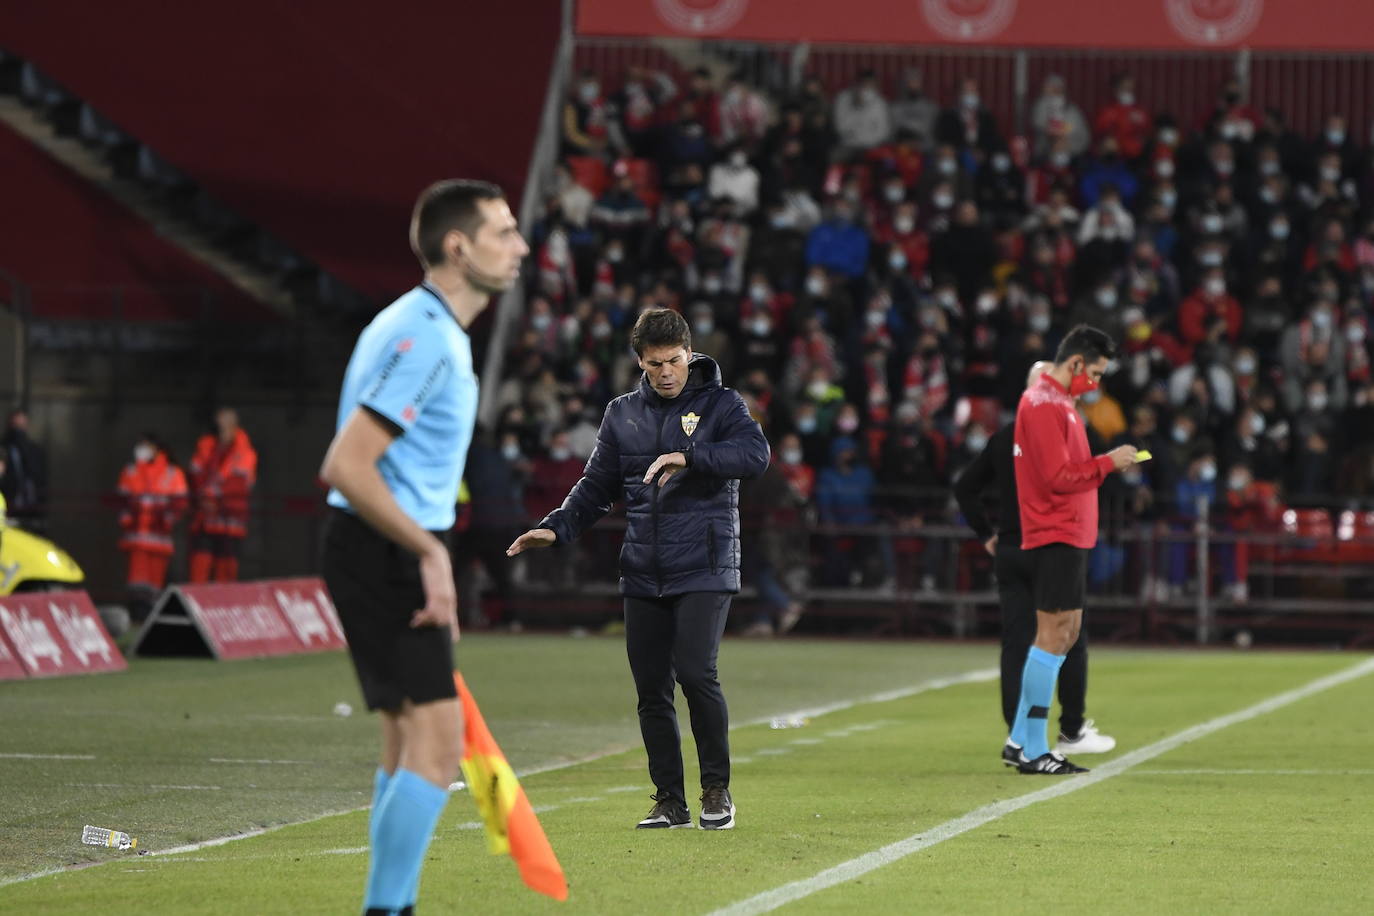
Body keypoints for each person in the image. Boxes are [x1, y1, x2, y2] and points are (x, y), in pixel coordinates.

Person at [319, 179, 528, 916]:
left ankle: (391, 906)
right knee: (438, 754)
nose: (520, 246)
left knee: (405, 744)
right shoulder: (427, 337)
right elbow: (347, 464)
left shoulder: (419, 325)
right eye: (504, 232)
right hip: (388, 548)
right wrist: (432, 557)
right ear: (457, 246)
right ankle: (388, 909)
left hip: (374, 545)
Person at [507, 308, 769, 831]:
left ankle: (716, 791)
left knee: (696, 673)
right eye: (655, 364)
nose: (667, 372)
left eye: (674, 361)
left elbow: (755, 455)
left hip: (705, 563)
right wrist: (557, 527)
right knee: (651, 689)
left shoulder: (722, 405)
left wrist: (689, 457)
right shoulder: (621, 414)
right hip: (644, 569)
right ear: (640, 363)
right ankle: (669, 800)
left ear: (690, 355)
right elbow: (596, 486)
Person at [954, 362, 1117, 761]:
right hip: (1051, 547)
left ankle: (1019, 735)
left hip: (1011, 548)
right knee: (1066, 636)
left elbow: (964, 487)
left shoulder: (1005, 436)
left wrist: (987, 534)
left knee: (1017, 641)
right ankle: (1070, 730)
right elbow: (1081, 476)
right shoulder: (1062, 428)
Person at [1005, 325, 1137, 774]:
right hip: (1055, 531)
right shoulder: (1043, 404)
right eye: (1095, 373)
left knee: (1066, 633)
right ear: (1076, 363)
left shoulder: (1058, 404)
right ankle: (1035, 748)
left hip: (1069, 532)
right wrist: (1109, 463)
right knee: (1053, 635)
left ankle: (1022, 738)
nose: (1095, 383)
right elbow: (1056, 477)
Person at [116, 435, 189, 621]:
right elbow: (122, 500)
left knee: (155, 582)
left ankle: (151, 615)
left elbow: (180, 502)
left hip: (159, 536)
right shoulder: (131, 471)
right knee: (136, 581)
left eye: (146, 446)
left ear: (157, 448)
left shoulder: (172, 473)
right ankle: (138, 613)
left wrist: (167, 520)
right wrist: (127, 519)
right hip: (136, 537)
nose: (142, 449)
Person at [188, 407, 258, 582]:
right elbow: (194, 476)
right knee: (199, 570)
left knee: (226, 576)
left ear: (234, 426)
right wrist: (205, 498)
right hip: (205, 519)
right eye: (218, 426)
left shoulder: (246, 453)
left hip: (230, 521)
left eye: (225, 426)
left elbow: (238, 484)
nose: (221, 431)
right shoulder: (206, 447)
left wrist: (212, 496)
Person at [1, 409, 48, 531]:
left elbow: (39, 477)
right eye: (15, 426)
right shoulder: (3, 450)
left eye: (21, 426)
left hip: (31, 508)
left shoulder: (34, 450)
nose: (18, 430)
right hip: (9, 507)